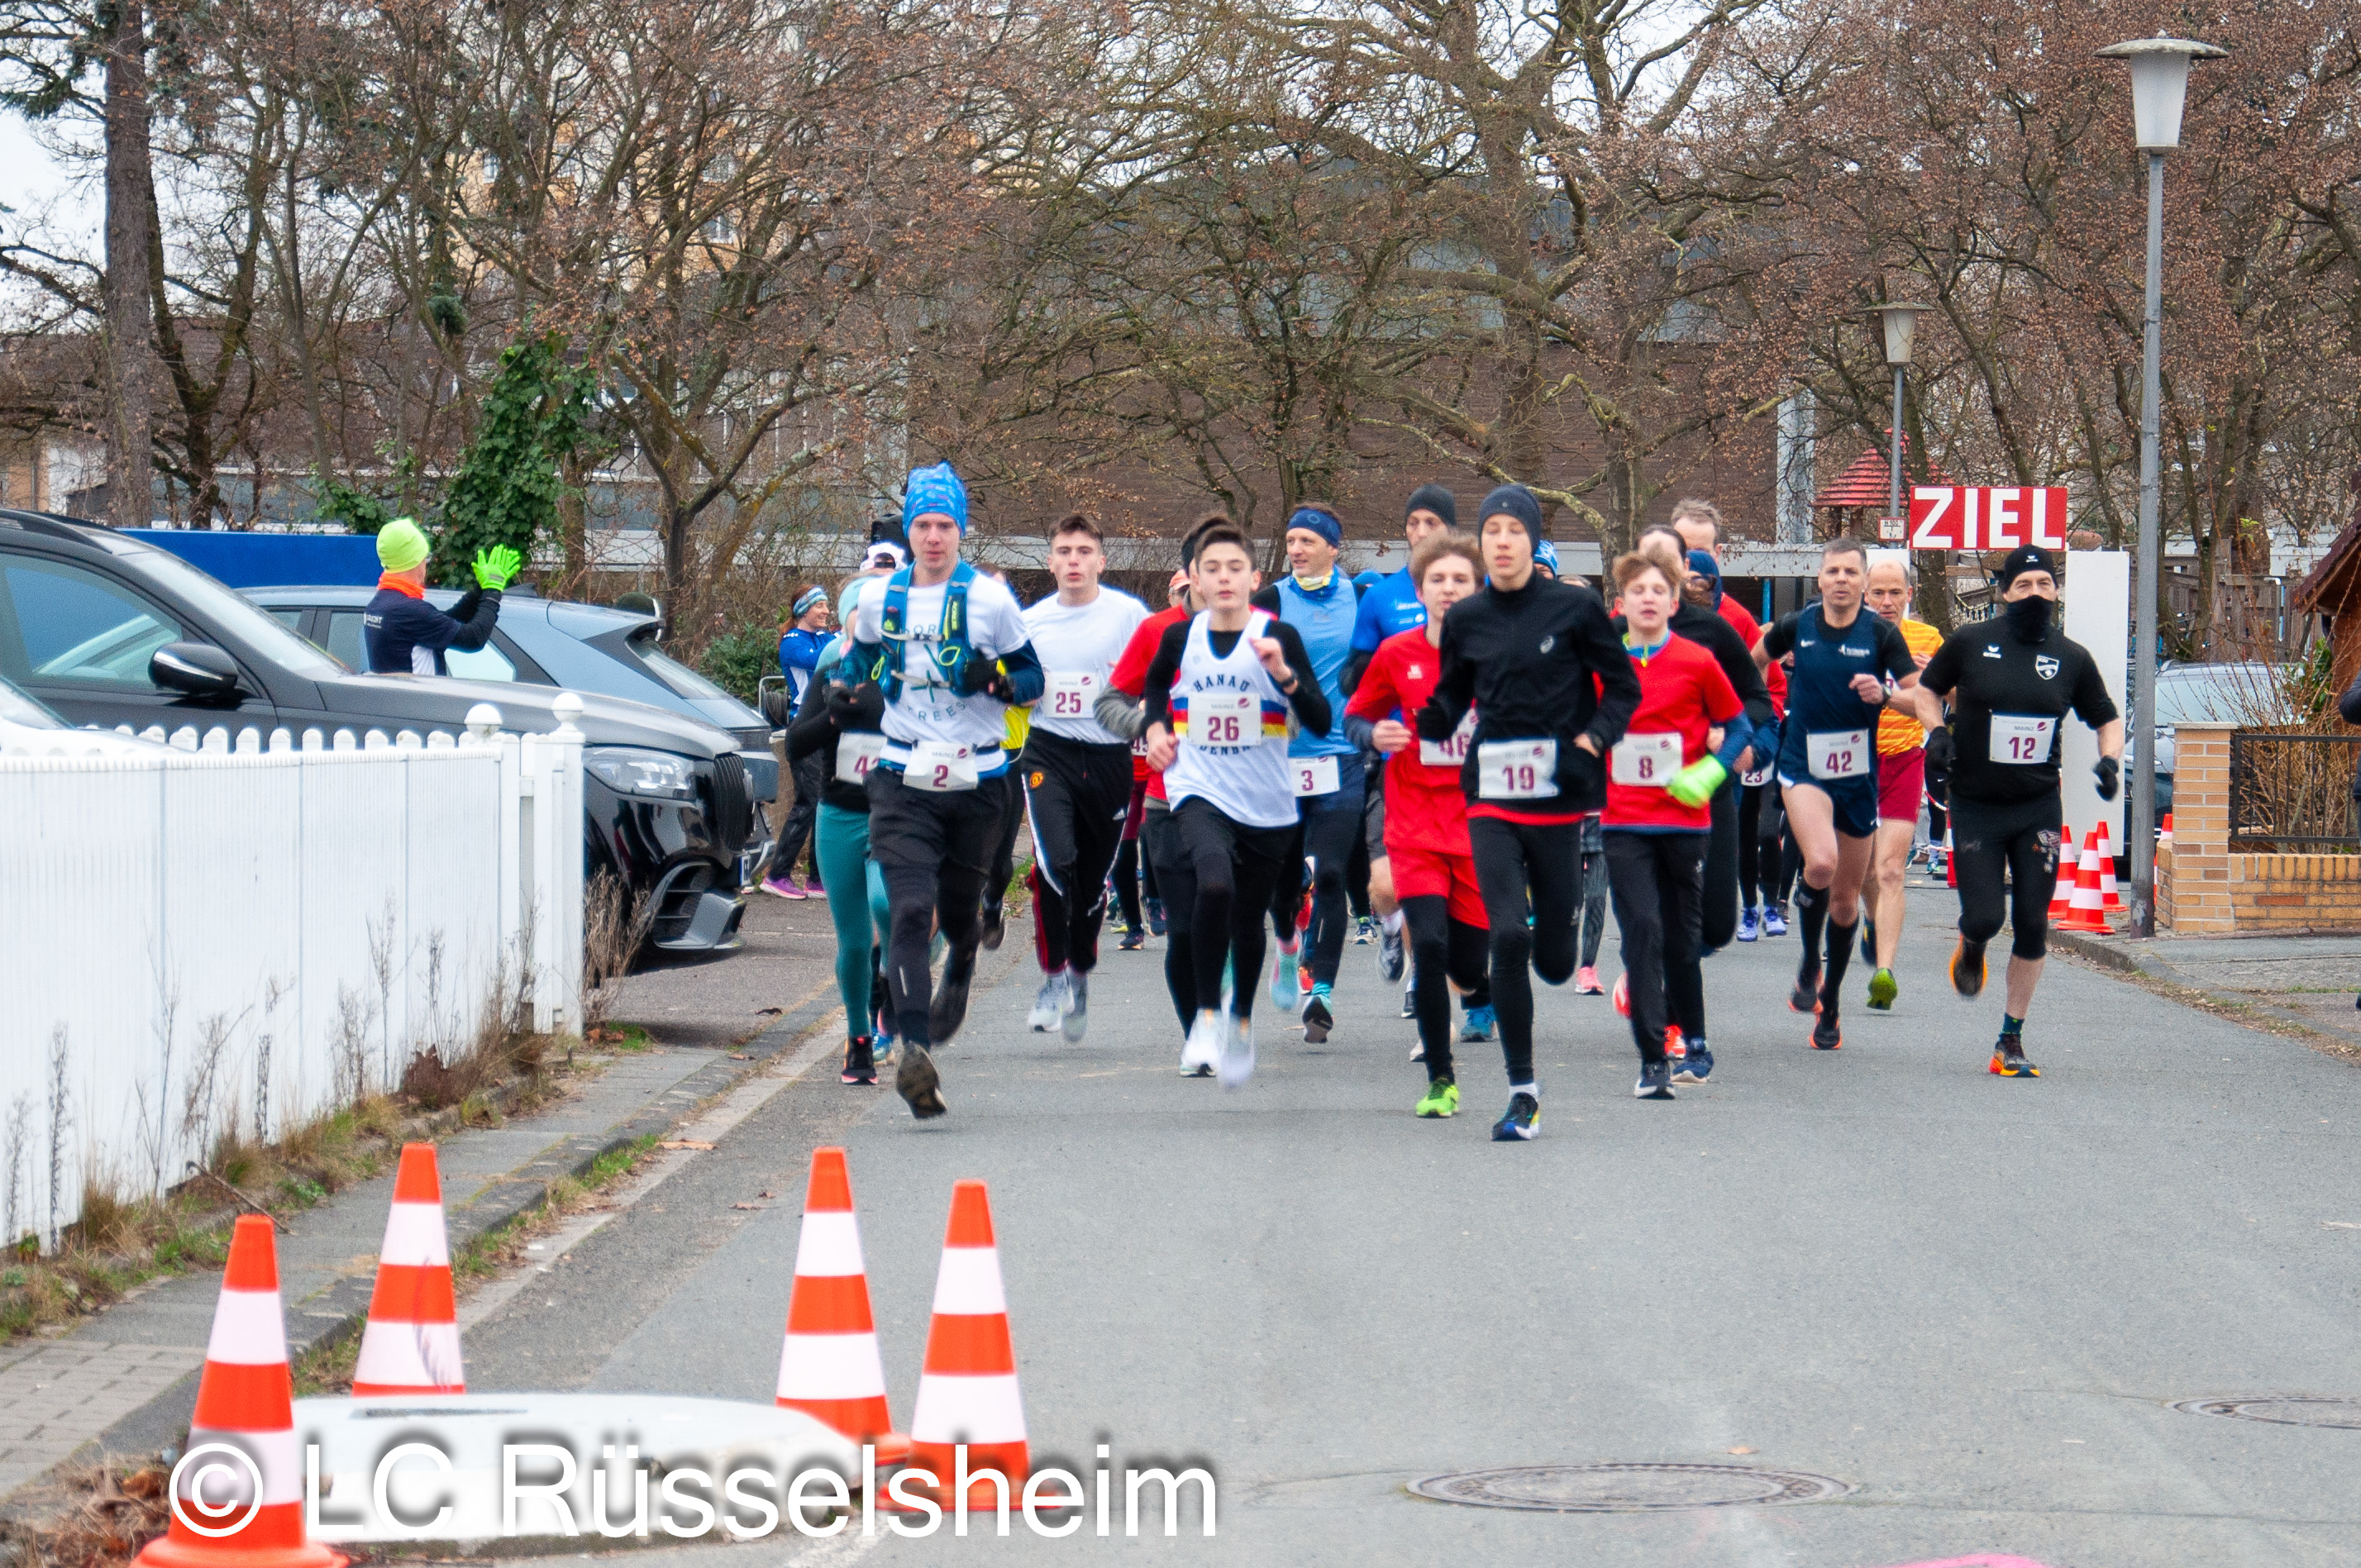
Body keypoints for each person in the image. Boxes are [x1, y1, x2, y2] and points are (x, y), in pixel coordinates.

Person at [1417, 484, 1642, 1141]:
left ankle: (1560, 943)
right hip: (1489, 795)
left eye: (1514, 530)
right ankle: (1523, 1090)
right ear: (1482, 545)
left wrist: (1592, 740)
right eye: (1492, 532)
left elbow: (1623, 687)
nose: (1503, 541)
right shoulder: (1466, 619)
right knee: (1507, 935)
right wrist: (1426, 719)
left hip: (1561, 799)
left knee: (1552, 959)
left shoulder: (1574, 609)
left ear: (1532, 540)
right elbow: (1452, 700)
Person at [842, 462, 1044, 1119]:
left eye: (945, 526)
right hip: (902, 778)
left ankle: (962, 954)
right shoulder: (878, 597)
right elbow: (861, 658)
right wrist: (848, 688)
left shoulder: (989, 600)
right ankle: (914, 1051)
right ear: (909, 529)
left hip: (977, 779)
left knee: (956, 913)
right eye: (923, 525)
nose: (933, 537)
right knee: (905, 911)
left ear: (962, 532)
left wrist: (998, 679)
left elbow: (1033, 676)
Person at [1906, 546, 2122, 1076]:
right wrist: (1936, 733)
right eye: (2024, 585)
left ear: (2056, 593)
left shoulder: (2072, 658)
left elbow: (2107, 719)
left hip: (2037, 807)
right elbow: (1927, 691)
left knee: (2031, 924)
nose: (2034, 595)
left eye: (2044, 586)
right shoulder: (1971, 642)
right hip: (1977, 803)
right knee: (1985, 916)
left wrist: (2110, 761)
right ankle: (1972, 944)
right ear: (2005, 592)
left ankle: (2010, 1039)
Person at [1140, 524, 1331, 1084]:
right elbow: (1154, 687)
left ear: (1254, 578)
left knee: (1248, 922)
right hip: (1197, 787)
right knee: (1213, 885)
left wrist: (1283, 676)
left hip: (1267, 802)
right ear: (1194, 579)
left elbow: (1320, 719)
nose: (1223, 578)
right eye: (1212, 568)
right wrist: (1154, 728)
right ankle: (1203, 1018)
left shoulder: (1280, 635)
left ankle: (1241, 1020)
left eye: (1234, 568)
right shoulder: (1180, 639)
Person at [1752, 538, 1921, 1051]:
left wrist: (1887, 695)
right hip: (1803, 765)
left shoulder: (1882, 635)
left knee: (1847, 903)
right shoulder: (1795, 627)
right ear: (1820, 578)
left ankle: (1833, 1003)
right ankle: (1808, 961)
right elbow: (1747, 663)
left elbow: (1921, 697)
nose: (1842, 579)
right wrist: (1762, 710)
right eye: (1833, 571)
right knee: (1820, 864)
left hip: (1857, 775)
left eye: (1851, 571)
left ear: (1864, 583)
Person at [1345, 531, 1491, 1116]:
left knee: (1470, 965)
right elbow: (1357, 714)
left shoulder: (1496, 655)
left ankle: (1470, 994)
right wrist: (1373, 733)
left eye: (1461, 580)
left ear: (1478, 588)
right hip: (1415, 825)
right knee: (1428, 945)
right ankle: (1440, 1076)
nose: (1449, 589)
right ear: (1421, 588)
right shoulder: (1396, 654)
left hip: (1481, 826)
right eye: (1438, 580)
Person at [1600, 552, 1751, 1097]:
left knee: (1683, 940)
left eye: (1657, 590)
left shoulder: (1697, 659)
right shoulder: (1605, 663)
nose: (1647, 598)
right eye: (1637, 589)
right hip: (1624, 823)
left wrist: (1712, 769)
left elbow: (1739, 725)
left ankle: (1697, 1036)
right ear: (1622, 601)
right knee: (1642, 931)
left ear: (1672, 600)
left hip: (1685, 821)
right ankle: (1652, 1058)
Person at [1018, 514, 1149, 1041]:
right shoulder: (1030, 622)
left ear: (1101, 559)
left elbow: (1156, 675)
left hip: (1111, 759)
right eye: (1064, 551)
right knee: (1056, 864)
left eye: (1084, 551)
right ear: (1050, 561)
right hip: (1050, 753)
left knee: (1093, 881)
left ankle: (1080, 969)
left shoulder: (1128, 615)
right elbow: (1019, 685)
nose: (1074, 561)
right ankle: (1051, 978)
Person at [1253, 506, 1364, 1044]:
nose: (1296, 548)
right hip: (1281, 757)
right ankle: (1287, 943)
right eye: (1291, 539)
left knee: (1333, 874)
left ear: (1333, 547)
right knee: (1288, 876)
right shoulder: (1272, 601)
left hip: (1341, 754)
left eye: (1307, 540)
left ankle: (1322, 991)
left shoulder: (1360, 598)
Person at [787, 636, 894, 1083]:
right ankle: (859, 1038)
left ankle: (893, 981)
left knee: (887, 906)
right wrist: (834, 714)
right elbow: (795, 744)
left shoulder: (912, 666)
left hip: (897, 814)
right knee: (852, 941)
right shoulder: (834, 667)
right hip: (840, 816)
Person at [1857, 556, 1944, 1009]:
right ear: (1865, 594)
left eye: (1896, 593)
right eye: (1879, 593)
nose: (1887, 602)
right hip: (1856, 758)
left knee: (1891, 868)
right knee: (1864, 868)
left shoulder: (1928, 639)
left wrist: (1936, 681)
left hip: (1905, 758)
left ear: (1910, 594)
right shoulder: (1851, 634)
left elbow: (1953, 695)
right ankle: (1872, 921)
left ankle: (1884, 972)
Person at [361, 520, 517, 675]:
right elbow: (473, 639)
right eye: (425, 558)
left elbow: (442, 624)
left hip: (395, 698)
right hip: (420, 699)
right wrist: (493, 591)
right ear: (414, 561)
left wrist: (479, 590)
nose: (425, 566)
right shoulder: (409, 611)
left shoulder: (379, 604)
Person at [765, 585, 834, 899]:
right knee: (809, 801)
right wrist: (847, 637)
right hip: (803, 726)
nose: (826, 611)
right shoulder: (792, 642)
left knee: (825, 801)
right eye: (820, 606)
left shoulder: (824, 637)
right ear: (804, 610)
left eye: (828, 606)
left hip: (826, 724)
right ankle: (777, 874)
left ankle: (817, 879)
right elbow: (823, 662)